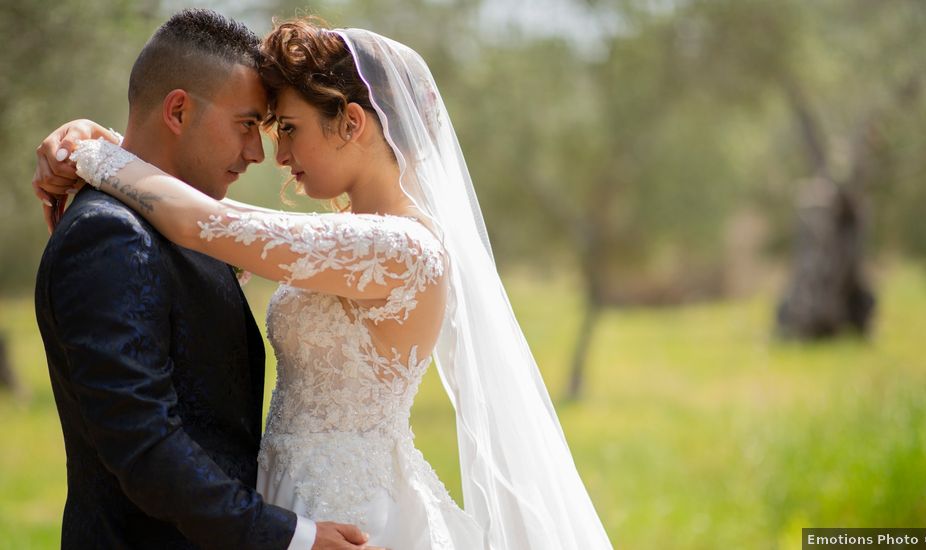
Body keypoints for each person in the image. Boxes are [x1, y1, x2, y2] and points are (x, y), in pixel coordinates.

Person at [38, 18, 613, 549]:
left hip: (347, 510)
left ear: (353, 122)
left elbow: (200, 221)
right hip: (283, 499)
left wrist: (86, 150)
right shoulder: (335, 241)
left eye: (288, 128)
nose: (276, 154)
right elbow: (193, 224)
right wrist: (106, 142)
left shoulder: (400, 249)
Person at [32, 9, 378, 550]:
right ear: (177, 110)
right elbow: (144, 446)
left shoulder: (197, 224)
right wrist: (293, 538)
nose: (258, 153)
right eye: (247, 124)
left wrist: (92, 146)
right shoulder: (107, 235)